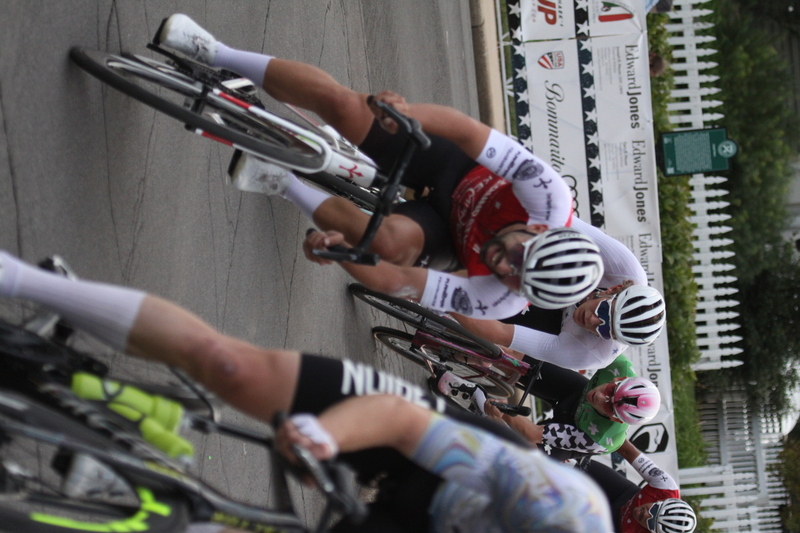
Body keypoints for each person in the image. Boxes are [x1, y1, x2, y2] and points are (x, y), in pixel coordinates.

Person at [0, 250, 613, 532]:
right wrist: (324, 435)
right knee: (232, 368)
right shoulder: (561, 509)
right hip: (423, 454)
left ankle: (143, 483)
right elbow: (402, 424)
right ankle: (25, 281)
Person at [154, 14, 605, 320]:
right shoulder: (548, 196)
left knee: (386, 243)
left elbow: (396, 280)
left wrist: (340, 255)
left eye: (515, 279)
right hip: (457, 169)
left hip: (444, 233)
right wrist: (406, 114)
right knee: (345, 107)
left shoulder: (498, 300)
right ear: (542, 231)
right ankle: (216, 52)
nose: (503, 264)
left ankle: (284, 183)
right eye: (519, 257)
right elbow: (468, 131)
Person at [451, 217, 667, 372]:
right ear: (614, 290)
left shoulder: (593, 354)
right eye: (603, 311)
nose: (593, 320)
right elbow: (558, 221)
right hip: (556, 270)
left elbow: (500, 332)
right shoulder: (626, 270)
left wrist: (441, 295)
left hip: (552, 325)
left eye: (604, 329)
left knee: (492, 311)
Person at [484, 355, 661, 461]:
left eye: (609, 405)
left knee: (526, 448)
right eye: (611, 390)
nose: (600, 397)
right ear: (618, 379)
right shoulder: (620, 365)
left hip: (579, 430)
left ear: (615, 418)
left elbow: (533, 433)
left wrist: (503, 411)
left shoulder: (602, 438)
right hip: (578, 393)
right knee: (514, 358)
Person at [585, 440, 697, 533]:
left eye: (651, 524)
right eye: (654, 509)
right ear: (662, 501)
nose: (646, 515)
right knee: (580, 465)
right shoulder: (666, 488)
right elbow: (627, 450)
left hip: (616, 529)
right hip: (624, 495)